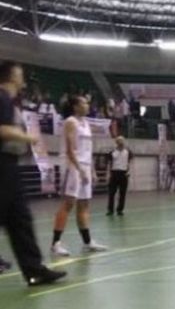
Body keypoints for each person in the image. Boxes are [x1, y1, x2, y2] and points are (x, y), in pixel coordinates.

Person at [0, 61, 66, 286]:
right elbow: (2, 129)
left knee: (20, 220)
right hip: (2, 165)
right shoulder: (1, 98)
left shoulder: (10, 101)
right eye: (19, 73)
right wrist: (29, 137)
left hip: (10, 166)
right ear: (11, 76)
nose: (23, 77)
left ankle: (34, 270)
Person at [51, 95, 108, 256]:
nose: (87, 105)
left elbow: (87, 150)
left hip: (85, 166)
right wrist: (79, 169)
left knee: (84, 204)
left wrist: (92, 170)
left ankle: (87, 242)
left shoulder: (86, 124)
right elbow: (70, 150)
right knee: (68, 204)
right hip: (73, 166)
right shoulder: (70, 122)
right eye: (84, 102)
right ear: (75, 106)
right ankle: (55, 244)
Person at [106, 136, 133, 216]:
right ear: (117, 143)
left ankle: (120, 210)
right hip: (114, 173)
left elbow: (130, 162)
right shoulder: (112, 152)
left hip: (124, 173)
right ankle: (110, 210)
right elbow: (109, 164)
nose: (121, 144)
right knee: (111, 193)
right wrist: (108, 174)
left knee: (122, 193)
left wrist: (129, 171)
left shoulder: (128, 152)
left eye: (122, 142)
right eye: (119, 142)